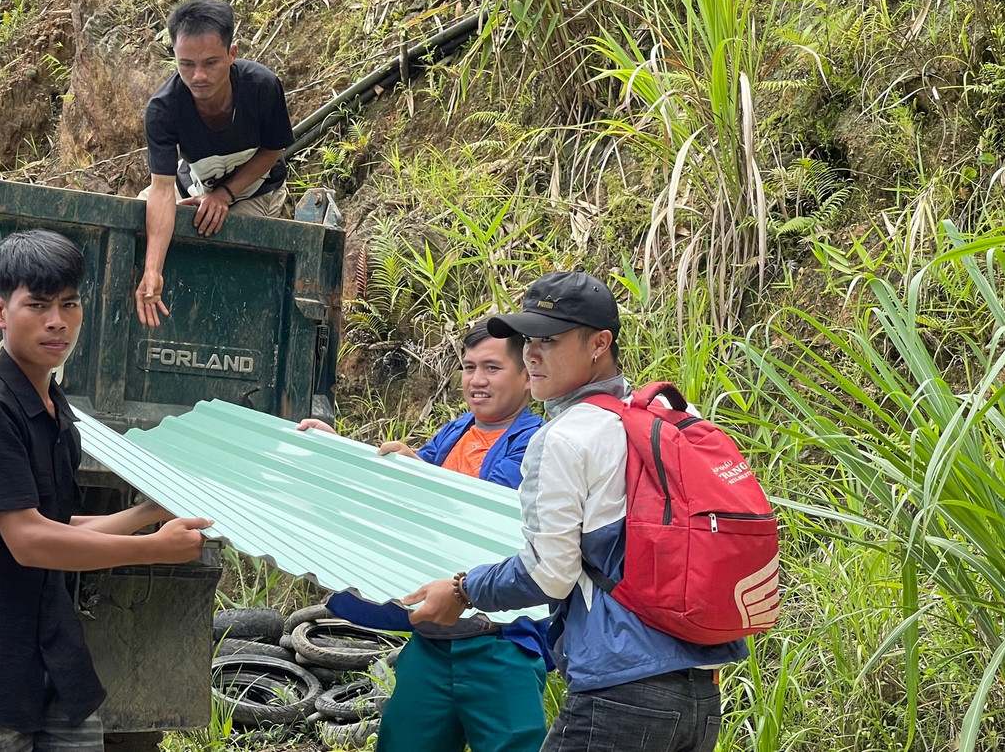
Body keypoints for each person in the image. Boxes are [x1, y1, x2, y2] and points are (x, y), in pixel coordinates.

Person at [404, 271, 748, 752]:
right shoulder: (673, 414)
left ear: (599, 343)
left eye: (549, 339)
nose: (531, 354)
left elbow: (549, 574)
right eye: (527, 340)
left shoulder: (564, 437)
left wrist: (463, 589)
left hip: (621, 691)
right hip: (699, 695)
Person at [0, 229, 213, 750]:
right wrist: (150, 550)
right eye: (37, 305)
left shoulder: (56, 408)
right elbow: (29, 540)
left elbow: (55, 523)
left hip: (54, 651)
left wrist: (147, 513)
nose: (57, 320)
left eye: (69, 303)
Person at [299, 321, 549, 752]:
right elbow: (397, 500)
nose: (477, 380)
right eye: (469, 367)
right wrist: (340, 455)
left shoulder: (537, 442)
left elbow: (485, 507)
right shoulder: (455, 433)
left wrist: (420, 475)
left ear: (528, 376)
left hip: (499, 642)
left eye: (492, 367)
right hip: (432, 642)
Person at [135, 0, 294, 327]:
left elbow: (272, 150)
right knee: (140, 216)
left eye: (211, 63)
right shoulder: (163, 109)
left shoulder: (262, 87)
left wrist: (225, 195)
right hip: (193, 184)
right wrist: (152, 269)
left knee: (220, 243)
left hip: (255, 189)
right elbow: (161, 190)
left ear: (232, 54)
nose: (198, 76)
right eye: (186, 64)